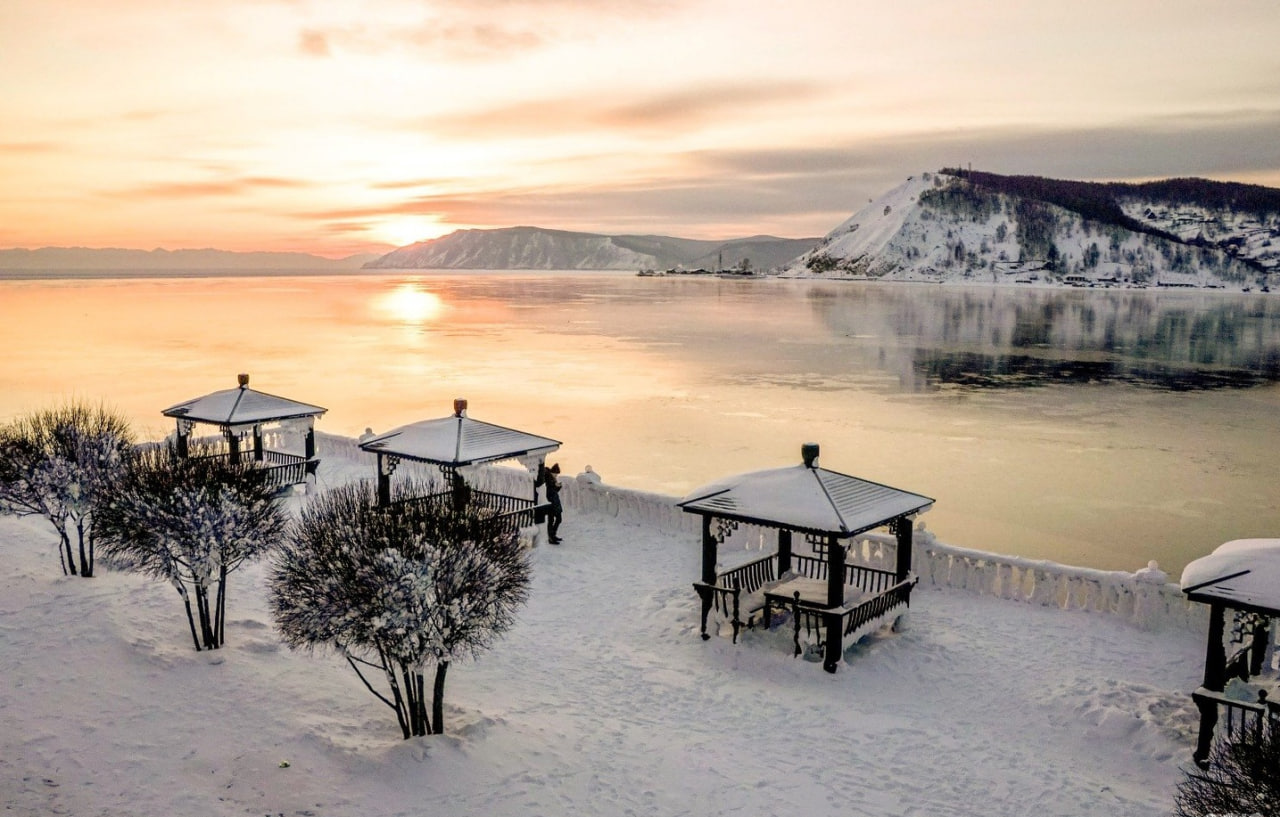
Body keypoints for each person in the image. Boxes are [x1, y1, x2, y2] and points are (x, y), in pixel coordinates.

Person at [536, 462, 563, 544]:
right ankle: (551, 537)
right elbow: (549, 491)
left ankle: (552, 535)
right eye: (556, 474)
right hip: (551, 503)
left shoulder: (552, 479)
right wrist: (556, 486)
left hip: (554, 502)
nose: (556, 476)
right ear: (552, 472)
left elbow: (554, 491)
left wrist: (558, 487)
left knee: (557, 519)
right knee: (553, 520)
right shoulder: (548, 479)